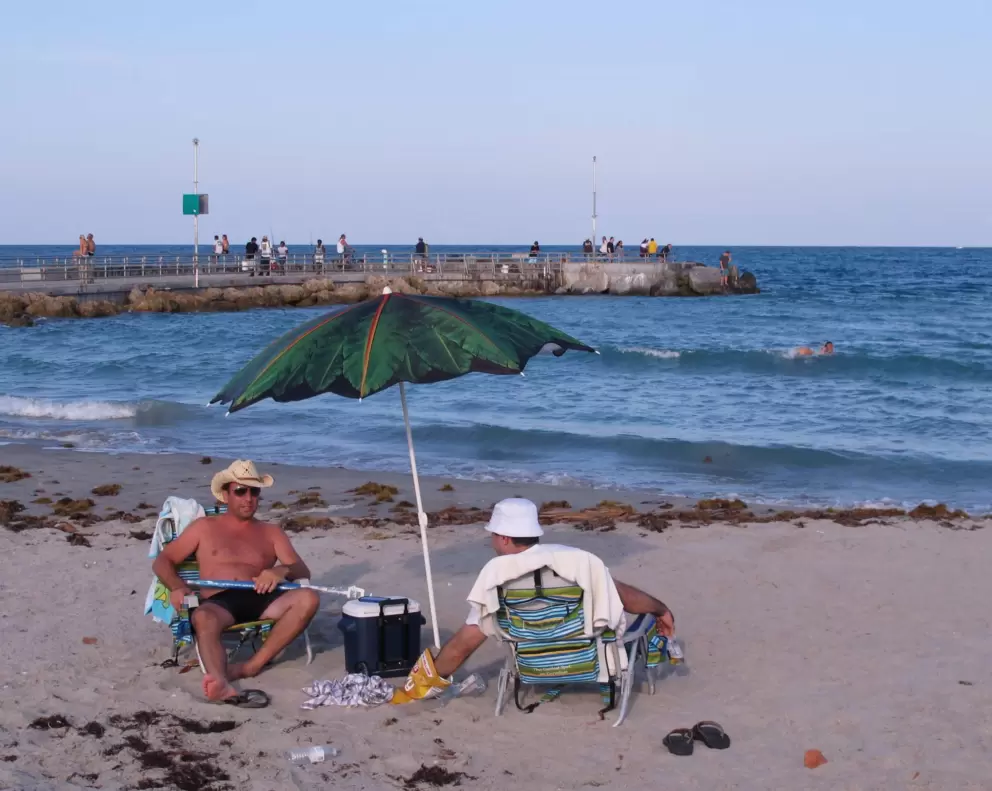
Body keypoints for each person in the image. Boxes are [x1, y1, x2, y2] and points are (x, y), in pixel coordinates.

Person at [423, 498, 675, 681]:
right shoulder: (576, 561)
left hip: (533, 667)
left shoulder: (497, 577)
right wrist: (661, 610)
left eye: (493, 534)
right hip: (587, 663)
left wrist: (427, 682)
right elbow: (624, 596)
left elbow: (461, 647)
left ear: (504, 538)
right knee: (637, 620)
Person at [151, 460, 319, 707]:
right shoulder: (204, 528)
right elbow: (163, 560)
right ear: (226, 495)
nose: (248, 498)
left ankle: (251, 666)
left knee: (309, 598)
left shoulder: (271, 532)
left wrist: (279, 570)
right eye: (240, 491)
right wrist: (177, 586)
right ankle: (219, 681)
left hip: (263, 596)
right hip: (220, 602)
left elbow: (302, 570)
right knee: (204, 618)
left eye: (254, 491)